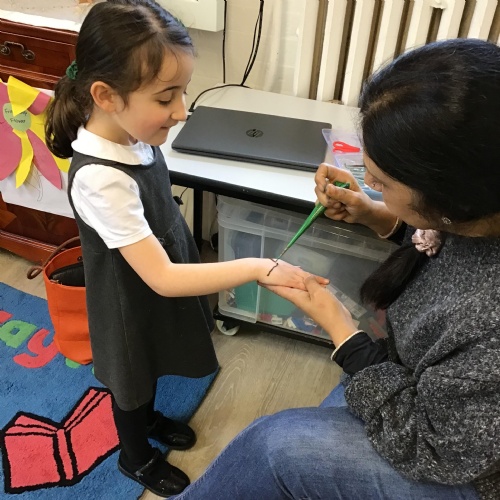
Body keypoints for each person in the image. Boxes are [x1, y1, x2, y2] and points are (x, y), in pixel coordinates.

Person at [170, 38, 500, 499]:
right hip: (411, 383)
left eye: (383, 181)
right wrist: (378, 215)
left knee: (275, 447)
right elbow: (445, 247)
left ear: (450, 194)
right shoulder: (477, 213)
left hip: (457, 466)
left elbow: (435, 449)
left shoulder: (489, 319)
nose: (370, 182)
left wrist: (344, 333)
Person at [44, 1, 319, 497]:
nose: (181, 109)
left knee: (151, 363)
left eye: (183, 91)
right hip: (130, 299)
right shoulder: (101, 177)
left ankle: (148, 419)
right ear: (105, 95)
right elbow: (162, 277)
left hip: (154, 279)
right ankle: (135, 456)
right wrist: (256, 267)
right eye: (166, 96)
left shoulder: (133, 134)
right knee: (132, 376)